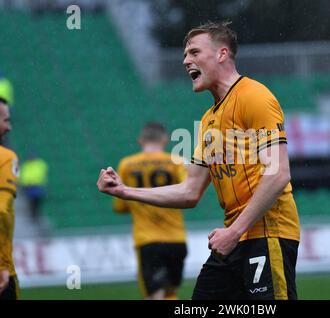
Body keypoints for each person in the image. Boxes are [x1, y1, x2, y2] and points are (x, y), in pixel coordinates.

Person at [97, 21, 300, 300]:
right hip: (233, 239)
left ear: (222, 54)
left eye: (193, 52)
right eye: (184, 55)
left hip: (267, 234)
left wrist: (234, 231)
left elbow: (278, 174)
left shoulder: (254, 96)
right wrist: (124, 191)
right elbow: (190, 191)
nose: (185, 61)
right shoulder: (208, 121)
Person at [113, 122, 188, 300]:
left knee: (154, 295)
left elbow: (120, 206)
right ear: (165, 139)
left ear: (140, 141)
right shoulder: (176, 161)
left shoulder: (127, 164)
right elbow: (187, 191)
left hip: (148, 240)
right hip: (176, 238)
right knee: (170, 293)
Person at [0, 98, 20, 300]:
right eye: (5, 120)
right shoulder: (5, 157)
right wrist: (2, 265)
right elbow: (1, 210)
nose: (9, 127)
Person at [19, 153, 48, 222]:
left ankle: (36, 215)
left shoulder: (40, 164)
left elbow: (41, 173)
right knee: (31, 201)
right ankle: (33, 215)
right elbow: (24, 175)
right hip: (29, 186)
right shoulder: (26, 165)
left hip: (37, 185)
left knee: (37, 201)